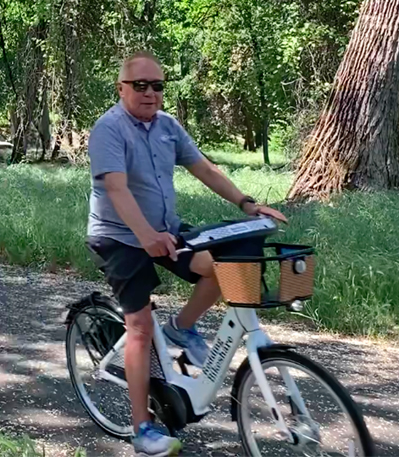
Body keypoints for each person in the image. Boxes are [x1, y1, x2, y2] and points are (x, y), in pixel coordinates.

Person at [86, 51, 286, 457]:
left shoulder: (167, 127)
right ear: (121, 88)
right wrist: (145, 236)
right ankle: (143, 428)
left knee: (219, 268)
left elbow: (205, 169)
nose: (150, 93)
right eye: (139, 85)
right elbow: (116, 190)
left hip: (165, 231)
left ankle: (182, 327)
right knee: (139, 326)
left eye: (157, 85)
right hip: (119, 238)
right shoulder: (108, 129)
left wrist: (248, 203)